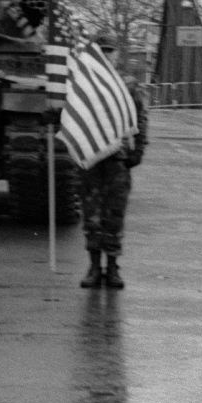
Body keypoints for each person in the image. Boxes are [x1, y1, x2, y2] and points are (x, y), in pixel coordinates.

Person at [78, 34, 148, 290]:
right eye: (101, 51)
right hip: (92, 160)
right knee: (92, 214)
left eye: (110, 51)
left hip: (118, 160)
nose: (106, 55)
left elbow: (140, 119)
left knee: (115, 214)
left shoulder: (127, 85)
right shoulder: (83, 84)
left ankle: (113, 267)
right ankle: (94, 266)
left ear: (116, 55)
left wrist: (137, 150)